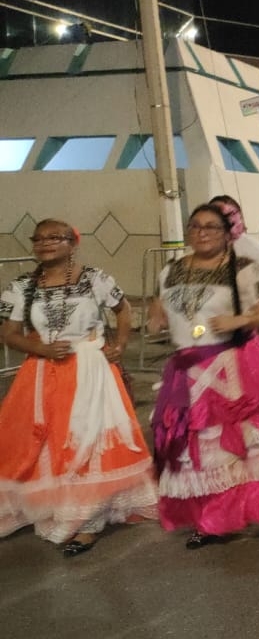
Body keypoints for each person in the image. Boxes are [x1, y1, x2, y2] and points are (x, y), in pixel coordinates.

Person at [0, 220, 158, 556]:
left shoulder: (95, 278)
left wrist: (120, 343)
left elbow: (123, 309)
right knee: (45, 443)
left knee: (87, 442)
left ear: (73, 243)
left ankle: (87, 522)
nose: (45, 243)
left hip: (89, 371)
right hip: (42, 373)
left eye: (54, 237)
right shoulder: (21, 286)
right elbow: (9, 332)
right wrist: (41, 349)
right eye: (38, 238)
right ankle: (54, 507)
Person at [147, 204, 259, 548]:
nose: (202, 232)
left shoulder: (243, 268)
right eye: (196, 226)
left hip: (238, 365)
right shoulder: (171, 270)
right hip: (189, 370)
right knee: (199, 447)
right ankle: (213, 519)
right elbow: (159, 303)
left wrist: (240, 320)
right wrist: (157, 316)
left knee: (251, 442)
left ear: (228, 233)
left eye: (212, 227)